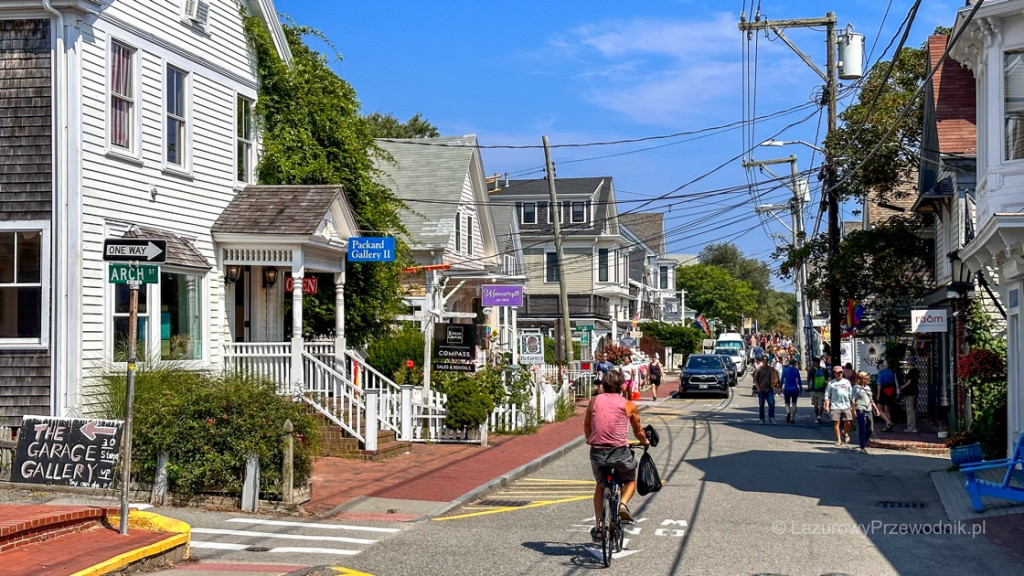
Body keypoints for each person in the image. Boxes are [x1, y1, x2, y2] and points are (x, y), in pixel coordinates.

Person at [584, 369, 649, 541]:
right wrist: (645, 442)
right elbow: (638, 430)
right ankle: (622, 504)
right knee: (630, 481)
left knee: (600, 484)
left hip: (597, 452)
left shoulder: (594, 401)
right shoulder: (629, 405)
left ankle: (598, 526)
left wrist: (590, 441)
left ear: (603, 385)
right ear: (621, 386)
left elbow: (587, 426)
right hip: (620, 452)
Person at [823, 365, 854, 446]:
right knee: (836, 423)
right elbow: (827, 395)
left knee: (848, 422)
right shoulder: (831, 383)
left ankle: (845, 432)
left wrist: (852, 404)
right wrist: (826, 405)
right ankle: (839, 439)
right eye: (838, 372)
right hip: (835, 405)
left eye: (841, 372)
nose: (840, 374)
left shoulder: (846, 382)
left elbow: (851, 394)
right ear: (834, 373)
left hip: (846, 405)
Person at [852, 371, 878, 453]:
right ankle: (862, 447)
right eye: (867, 378)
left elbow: (871, 400)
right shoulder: (856, 388)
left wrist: (876, 409)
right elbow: (853, 400)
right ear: (862, 379)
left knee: (870, 429)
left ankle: (864, 441)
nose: (868, 379)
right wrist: (853, 410)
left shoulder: (868, 388)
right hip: (860, 408)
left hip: (868, 409)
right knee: (862, 428)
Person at [875, 360, 898, 431]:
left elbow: (879, 384)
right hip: (891, 392)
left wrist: (878, 395)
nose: (877, 368)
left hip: (883, 392)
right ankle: (888, 426)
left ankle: (888, 422)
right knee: (887, 409)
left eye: (878, 366)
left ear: (880, 366)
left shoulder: (880, 373)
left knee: (879, 409)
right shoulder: (890, 371)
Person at [753, 358, 776, 424]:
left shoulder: (770, 369)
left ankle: (771, 417)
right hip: (761, 390)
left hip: (769, 389)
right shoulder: (759, 369)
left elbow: (775, 377)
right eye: (764, 360)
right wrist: (758, 389)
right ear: (762, 361)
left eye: (766, 360)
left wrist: (774, 385)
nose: (765, 361)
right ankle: (761, 418)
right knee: (761, 405)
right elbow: (755, 379)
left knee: (771, 404)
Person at [808, 357, 828, 424]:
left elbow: (808, 379)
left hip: (814, 389)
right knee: (821, 404)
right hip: (822, 389)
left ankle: (817, 417)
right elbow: (827, 379)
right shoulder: (824, 370)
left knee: (815, 405)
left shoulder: (812, 370)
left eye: (813, 362)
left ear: (815, 362)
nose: (812, 363)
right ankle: (819, 416)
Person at [781, 359, 802, 423]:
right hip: (794, 388)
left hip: (787, 388)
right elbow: (799, 380)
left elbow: (782, 379)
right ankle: (793, 418)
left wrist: (780, 386)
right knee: (794, 403)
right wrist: (800, 388)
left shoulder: (785, 370)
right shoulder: (796, 370)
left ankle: (788, 412)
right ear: (794, 364)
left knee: (787, 403)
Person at [901, 359, 920, 432]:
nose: (907, 362)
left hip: (910, 392)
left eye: (908, 361)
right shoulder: (916, 371)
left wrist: (903, 386)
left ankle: (911, 427)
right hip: (914, 392)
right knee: (913, 409)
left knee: (910, 410)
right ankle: (915, 426)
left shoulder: (911, 371)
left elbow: (909, 382)